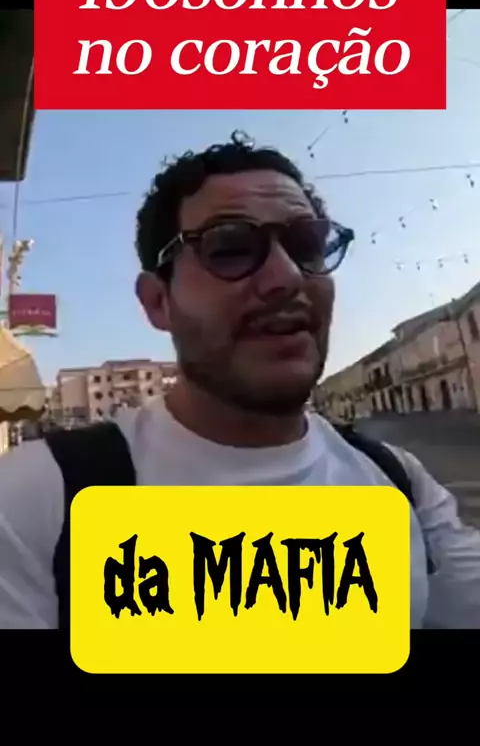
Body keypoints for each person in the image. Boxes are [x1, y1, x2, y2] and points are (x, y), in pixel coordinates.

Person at [0, 131, 479, 629]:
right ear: (158, 301)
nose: (286, 277)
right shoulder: (40, 498)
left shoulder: (397, 481)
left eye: (307, 246)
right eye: (229, 248)